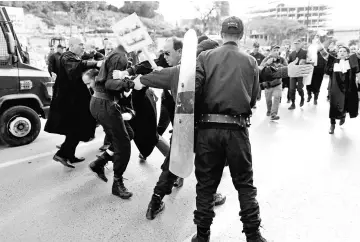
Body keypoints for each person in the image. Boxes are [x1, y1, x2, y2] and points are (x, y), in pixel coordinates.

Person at [119, 38, 227, 221]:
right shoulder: (220, 74)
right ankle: (210, 199)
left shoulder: (177, 72)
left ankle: (155, 202)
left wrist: (161, 76)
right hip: (209, 128)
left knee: (172, 166)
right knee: (208, 166)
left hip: (183, 127)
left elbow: (139, 82)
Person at [44, 37, 101, 168]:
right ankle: (63, 154)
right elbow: (78, 66)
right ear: (71, 46)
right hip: (69, 102)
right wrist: (95, 64)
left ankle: (68, 154)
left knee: (75, 129)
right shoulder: (67, 57)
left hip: (74, 101)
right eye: (80, 45)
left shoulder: (74, 57)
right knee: (75, 128)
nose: (83, 47)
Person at [88, 43, 135, 199]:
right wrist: (128, 83)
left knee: (128, 133)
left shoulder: (116, 54)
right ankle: (117, 183)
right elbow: (110, 83)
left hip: (100, 102)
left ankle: (99, 163)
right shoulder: (120, 56)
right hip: (105, 104)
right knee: (124, 144)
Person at [320, 45, 359, 134]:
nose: (342, 53)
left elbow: (357, 71)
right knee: (333, 107)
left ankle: (343, 116)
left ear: (347, 54)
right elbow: (324, 54)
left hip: (347, 88)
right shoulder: (333, 61)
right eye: (340, 51)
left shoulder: (351, 61)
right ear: (337, 53)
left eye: (344, 51)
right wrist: (319, 44)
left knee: (345, 104)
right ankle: (332, 124)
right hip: (334, 89)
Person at [259, 44, 287, 120]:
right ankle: (269, 110)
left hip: (278, 83)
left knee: (277, 97)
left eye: (277, 50)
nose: (276, 52)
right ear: (271, 51)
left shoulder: (282, 59)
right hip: (268, 84)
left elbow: (287, 69)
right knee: (268, 100)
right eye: (274, 50)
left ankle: (273, 114)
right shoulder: (266, 59)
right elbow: (260, 69)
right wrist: (267, 63)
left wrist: (279, 65)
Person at [288, 39, 307, 110]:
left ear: (300, 44)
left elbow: (310, 61)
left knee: (299, 88)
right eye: (295, 43)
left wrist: (304, 62)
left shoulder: (305, 52)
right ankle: (293, 103)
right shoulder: (292, 53)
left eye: (298, 43)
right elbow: (288, 63)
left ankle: (302, 98)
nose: (296, 45)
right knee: (292, 89)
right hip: (293, 73)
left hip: (301, 73)